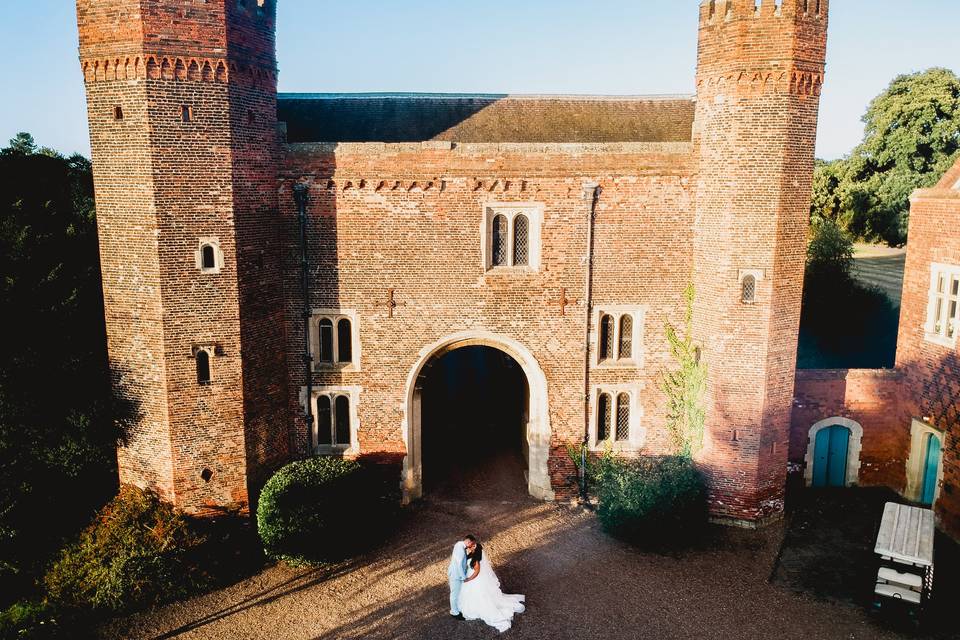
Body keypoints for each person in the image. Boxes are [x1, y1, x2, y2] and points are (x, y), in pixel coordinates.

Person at [458, 540, 525, 632]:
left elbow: (477, 572)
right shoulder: (471, 555)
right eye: (469, 546)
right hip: (471, 576)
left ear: (475, 548)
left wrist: (469, 579)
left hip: (474, 579)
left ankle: (483, 609)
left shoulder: (476, 559)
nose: (469, 548)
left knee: (479, 595)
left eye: (471, 546)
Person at [447, 535, 475, 619]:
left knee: (457, 593)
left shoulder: (459, 544)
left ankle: (457, 609)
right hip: (456, 575)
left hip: (457, 573)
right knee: (454, 594)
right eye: (472, 544)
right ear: (468, 542)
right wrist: (463, 577)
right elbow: (459, 564)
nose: (471, 546)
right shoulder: (460, 549)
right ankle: (454, 612)